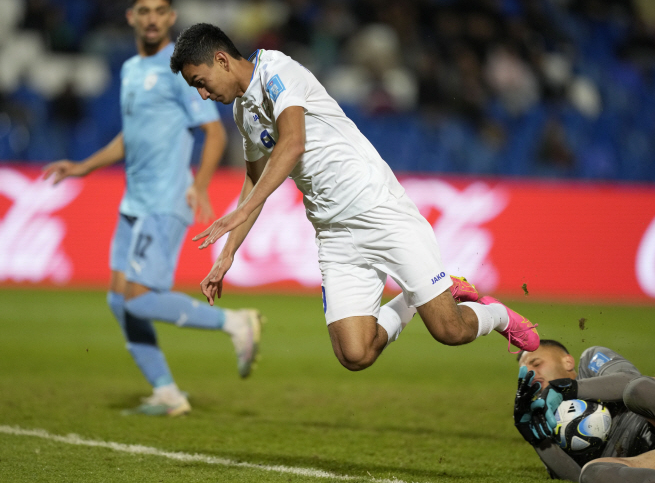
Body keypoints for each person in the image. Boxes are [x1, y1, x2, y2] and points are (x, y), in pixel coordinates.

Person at [168, 23, 540, 372]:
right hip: (334, 233)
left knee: (449, 331)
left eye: (200, 82)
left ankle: (499, 317)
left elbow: (293, 142)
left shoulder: (277, 70)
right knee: (355, 354)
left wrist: (244, 210)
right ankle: (412, 299)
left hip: (379, 210)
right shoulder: (242, 112)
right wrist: (228, 253)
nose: (202, 93)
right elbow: (254, 182)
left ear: (221, 59)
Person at [43, 0, 261, 417]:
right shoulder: (128, 70)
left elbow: (214, 132)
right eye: (144, 10)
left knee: (139, 298)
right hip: (133, 202)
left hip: (164, 199)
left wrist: (199, 185)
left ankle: (235, 322)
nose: (152, 18)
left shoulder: (178, 70)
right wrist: (83, 166)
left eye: (160, 11)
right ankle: (166, 393)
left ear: (171, 17)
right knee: (116, 299)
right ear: (131, 17)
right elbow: (131, 136)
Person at [514, 340, 655, 482]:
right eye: (524, 372)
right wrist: (536, 438)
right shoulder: (549, 424)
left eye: (536, 364)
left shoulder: (590, 362)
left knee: (639, 390)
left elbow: (629, 379)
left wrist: (568, 388)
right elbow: (577, 477)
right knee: (593, 473)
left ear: (567, 362)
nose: (530, 374)